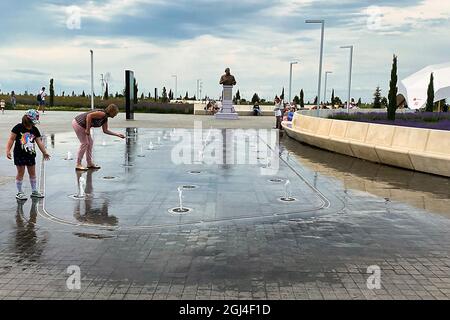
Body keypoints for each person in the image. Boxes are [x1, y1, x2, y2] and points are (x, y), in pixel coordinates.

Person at [5, 109, 51, 200]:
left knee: (32, 173)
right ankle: (19, 192)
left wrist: (44, 152)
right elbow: (11, 139)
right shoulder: (18, 127)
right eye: (33, 122)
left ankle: (34, 191)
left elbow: (39, 142)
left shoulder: (34, 130)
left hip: (30, 155)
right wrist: (8, 150)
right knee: (20, 172)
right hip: (19, 154)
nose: (34, 124)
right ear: (28, 119)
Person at [72, 104, 125, 171]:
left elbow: (105, 130)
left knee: (90, 143)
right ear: (111, 111)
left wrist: (117, 135)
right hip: (78, 123)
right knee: (84, 143)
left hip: (83, 125)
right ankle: (78, 164)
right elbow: (89, 116)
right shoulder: (102, 114)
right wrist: (88, 129)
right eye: (115, 113)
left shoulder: (105, 118)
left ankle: (89, 163)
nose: (115, 115)